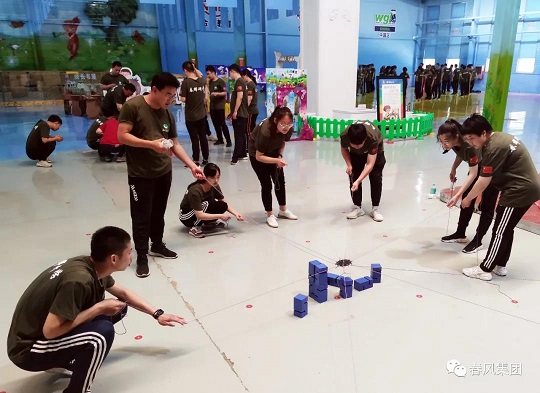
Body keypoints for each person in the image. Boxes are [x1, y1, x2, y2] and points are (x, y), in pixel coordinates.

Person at [7, 226, 187, 393]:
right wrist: (98, 308)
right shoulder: (78, 281)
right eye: (129, 252)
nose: (132, 256)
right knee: (100, 335)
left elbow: (123, 293)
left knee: (119, 308)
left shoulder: (93, 266)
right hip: (28, 350)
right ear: (114, 259)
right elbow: (50, 330)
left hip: (41, 335)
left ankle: (67, 356)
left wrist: (157, 314)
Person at [118, 72, 204, 278]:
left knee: (158, 212)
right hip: (140, 174)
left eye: (173, 96)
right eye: (167, 94)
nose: (170, 99)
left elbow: (174, 143)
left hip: (163, 172)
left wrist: (192, 165)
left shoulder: (167, 114)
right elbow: (122, 135)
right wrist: (151, 144)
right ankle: (141, 255)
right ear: (154, 89)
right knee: (141, 216)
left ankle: (157, 244)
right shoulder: (134, 107)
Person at [457, 114, 540, 281]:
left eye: (472, 138)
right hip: (526, 188)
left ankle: (485, 268)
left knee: (500, 231)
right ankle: (500, 265)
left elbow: (483, 181)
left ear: (483, 132)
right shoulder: (499, 138)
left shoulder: (494, 147)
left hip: (519, 191)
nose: (471, 143)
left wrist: (467, 199)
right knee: (506, 228)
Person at [437, 119, 497, 253]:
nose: (443, 145)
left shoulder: (470, 146)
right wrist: (453, 169)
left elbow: (474, 174)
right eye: (441, 141)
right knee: (466, 201)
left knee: (487, 204)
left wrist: (458, 195)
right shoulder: (455, 144)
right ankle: (460, 233)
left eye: (446, 141)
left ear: (456, 137)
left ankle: (478, 240)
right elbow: (460, 154)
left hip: (491, 169)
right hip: (477, 168)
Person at [248, 106, 297, 228]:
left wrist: (279, 156)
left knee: (280, 181)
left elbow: (282, 142)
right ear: (275, 121)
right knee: (266, 184)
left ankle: (283, 210)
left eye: (289, 124)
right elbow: (259, 156)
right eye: (283, 124)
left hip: (274, 153)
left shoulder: (288, 129)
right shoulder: (266, 131)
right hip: (258, 155)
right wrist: (276, 160)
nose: (286, 127)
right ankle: (269, 215)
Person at [179, 163, 244, 237]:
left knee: (222, 205)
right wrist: (220, 216)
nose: (216, 180)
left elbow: (224, 203)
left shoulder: (214, 185)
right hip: (186, 216)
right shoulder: (195, 191)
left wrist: (236, 214)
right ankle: (195, 228)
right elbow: (199, 215)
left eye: (218, 177)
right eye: (213, 177)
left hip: (201, 209)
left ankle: (208, 223)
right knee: (208, 203)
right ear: (205, 176)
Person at [341, 121, 386, 222]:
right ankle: (357, 207)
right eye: (354, 145)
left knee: (376, 177)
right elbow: (344, 149)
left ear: (365, 139)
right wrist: (349, 165)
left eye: (359, 145)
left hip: (375, 153)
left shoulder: (372, 139)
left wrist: (359, 181)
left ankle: (375, 208)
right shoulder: (345, 136)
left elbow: (370, 164)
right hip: (356, 155)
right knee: (353, 175)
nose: (357, 146)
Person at [180, 61, 210, 166]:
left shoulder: (186, 83)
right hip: (202, 115)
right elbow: (200, 75)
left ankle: (196, 160)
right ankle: (206, 159)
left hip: (191, 116)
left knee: (194, 139)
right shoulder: (202, 81)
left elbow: (183, 99)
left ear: (185, 70)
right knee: (203, 138)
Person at [228, 64, 249, 165]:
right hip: (241, 113)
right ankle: (243, 153)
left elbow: (239, 97)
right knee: (241, 134)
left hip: (240, 113)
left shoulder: (239, 81)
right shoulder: (240, 82)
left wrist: (235, 111)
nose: (230, 76)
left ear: (233, 71)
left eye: (230, 73)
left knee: (238, 135)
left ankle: (235, 157)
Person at [206, 65, 232, 147]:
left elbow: (225, 93)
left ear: (213, 72)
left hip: (220, 107)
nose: (208, 75)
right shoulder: (210, 82)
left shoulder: (221, 82)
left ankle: (229, 141)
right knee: (215, 124)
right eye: (207, 74)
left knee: (222, 124)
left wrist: (217, 94)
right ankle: (220, 139)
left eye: (209, 74)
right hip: (212, 107)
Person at [241, 68, 260, 137]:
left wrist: (244, 109)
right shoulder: (252, 84)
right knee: (252, 129)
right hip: (254, 110)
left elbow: (249, 99)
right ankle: (254, 144)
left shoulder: (249, 85)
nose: (242, 79)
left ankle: (250, 146)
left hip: (251, 111)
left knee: (248, 130)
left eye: (242, 77)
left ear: (246, 75)